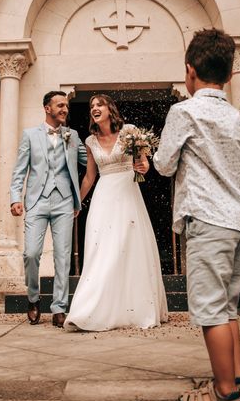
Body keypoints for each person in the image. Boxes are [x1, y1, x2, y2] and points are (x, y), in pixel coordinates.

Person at [154, 29, 240, 401]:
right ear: (230, 75)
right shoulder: (237, 119)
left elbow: (164, 164)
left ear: (189, 71)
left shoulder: (184, 112)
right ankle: (239, 381)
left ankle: (223, 391)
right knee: (228, 306)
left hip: (208, 219)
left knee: (211, 310)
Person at [64, 95, 168, 332]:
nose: (94, 109)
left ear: (110, 109)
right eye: (91, 107)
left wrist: (143, 166)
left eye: (99, 105)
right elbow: (90, 176)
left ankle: (134, 308)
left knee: (129, 248)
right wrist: (77, 202)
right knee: (102, 250)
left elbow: (144, 162)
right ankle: (89, 309)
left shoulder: (130, 131)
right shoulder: (90, 141)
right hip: (104, 196)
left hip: (128, 195)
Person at [10, 91, 87, 327]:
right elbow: (20, 170)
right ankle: (33, 299)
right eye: (60, 105)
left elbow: (90, 160)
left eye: (66, 105)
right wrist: (15, 198)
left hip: (64, 201)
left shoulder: (72, 135)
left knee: (63, 257)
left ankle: (59, 307)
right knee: (31, 253)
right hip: (36, 201)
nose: (65, 109)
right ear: (47, 108)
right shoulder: (30, 135)